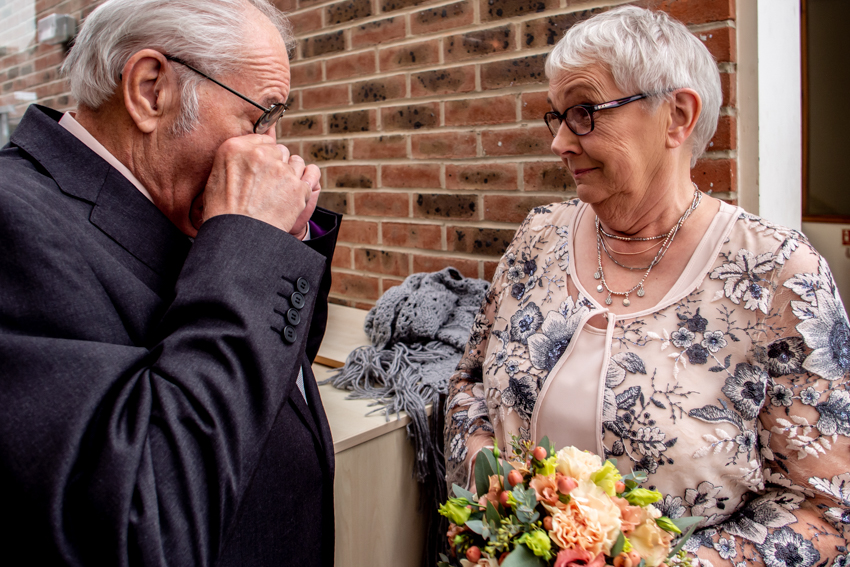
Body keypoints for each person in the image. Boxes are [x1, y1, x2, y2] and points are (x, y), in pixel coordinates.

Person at [444, 6, 849, 566]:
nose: (560, 142)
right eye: (557, 117)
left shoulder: (779, 275)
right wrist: (500, 510)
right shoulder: (538, 236)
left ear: (677, 117)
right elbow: (468, 383)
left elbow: (826, 511)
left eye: (584, 112)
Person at [0, 0, 340, 565]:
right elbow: (144, 519)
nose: (274, 148)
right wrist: (250, 243)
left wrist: (282, 242)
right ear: (151, 90)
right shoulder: (13, 222)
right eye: (261, 117)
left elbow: (271, 371)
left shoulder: (169, 200)